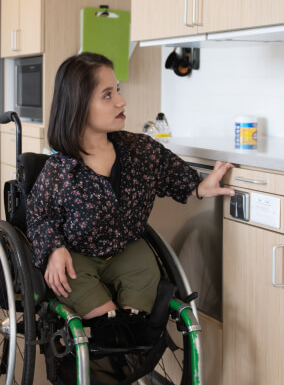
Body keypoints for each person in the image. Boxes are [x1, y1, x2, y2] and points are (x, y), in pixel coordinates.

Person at [26, 52, 234, 324]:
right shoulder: (60, 170)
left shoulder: (140, 151)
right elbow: (39, 216)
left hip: (127, 251)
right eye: (108, 95)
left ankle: (128, 349)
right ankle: (102, 352)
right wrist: (53, 249)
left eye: (118, 91)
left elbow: (171, 172)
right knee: (102, 316)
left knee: (136, 320)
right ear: (78, 105)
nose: (121, 101)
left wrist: (200, 186)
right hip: (76, 256)